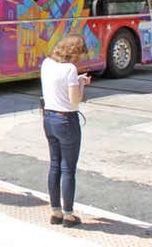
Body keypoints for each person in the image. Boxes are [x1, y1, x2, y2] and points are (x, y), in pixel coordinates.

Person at [41, 35, 91, 227]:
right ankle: (69, 215)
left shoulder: (46, 63)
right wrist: (80, 84)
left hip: (49, 118)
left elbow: (55, 86)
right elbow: (74, 100)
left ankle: (55, 211)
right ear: (74, 53)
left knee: (54, 164)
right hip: (67, 120)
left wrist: (75, 80)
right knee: (68, 168)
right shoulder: (70, 69)